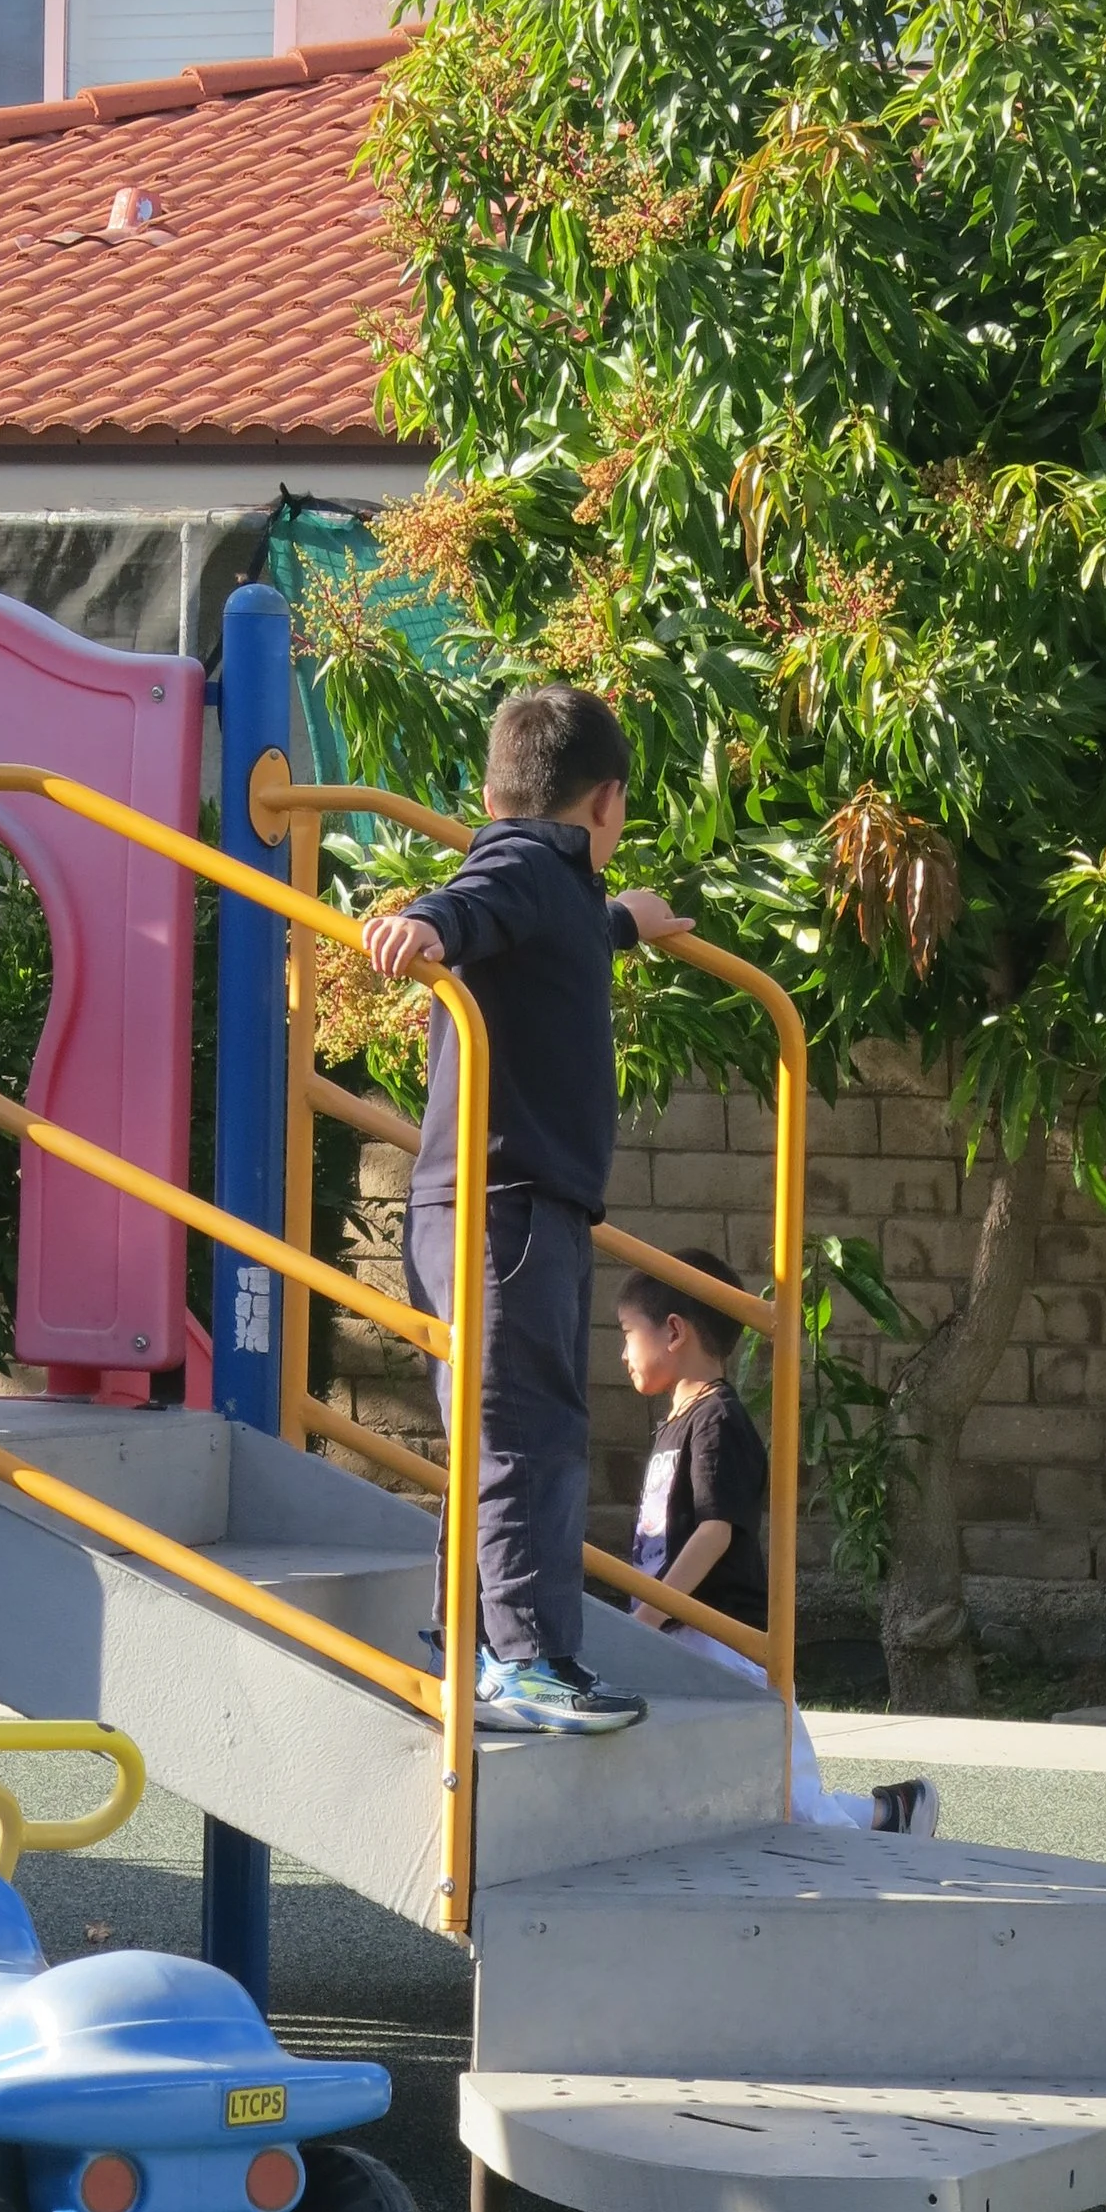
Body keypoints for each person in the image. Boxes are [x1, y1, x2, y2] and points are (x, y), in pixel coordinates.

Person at [361, 683, 685, 1734]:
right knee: (525, 1433)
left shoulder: (558, 892)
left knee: (509, 1428)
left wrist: (627, 923)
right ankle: (522, 1656)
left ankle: (479, 1641)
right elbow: (477, 900)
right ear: (608, 806)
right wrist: (422, 924)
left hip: (504, 1206)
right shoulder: (524, 867)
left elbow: (558, 922)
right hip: (506, 1210)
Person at [615, 1245, 939, 1835]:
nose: (621, 1350)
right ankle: (890, 1814)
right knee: (743, 1793)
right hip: (681, 1632)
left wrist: (646, 1615)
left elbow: (715, 1531)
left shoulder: (717, 1421)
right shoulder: (676, 1423)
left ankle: (892, 1819)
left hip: (724, 1638)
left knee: (788, 1801)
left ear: (673, 1332)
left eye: (627, 1332)